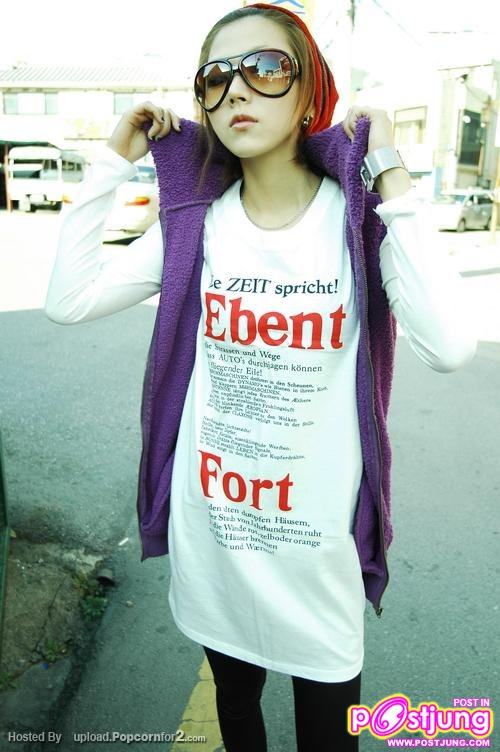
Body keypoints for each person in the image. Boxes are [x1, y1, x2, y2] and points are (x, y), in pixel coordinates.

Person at [44, 4, 477, 750]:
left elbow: (449, 345)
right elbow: (68, 300)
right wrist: (114, 158)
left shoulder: (357, 224)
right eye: (214, 78)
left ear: (310, 92)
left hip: (314, 555)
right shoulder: (195, 226)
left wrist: (389, 165)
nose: (237, 89)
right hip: (216, 538)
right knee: (236, 711)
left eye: (266, 68)